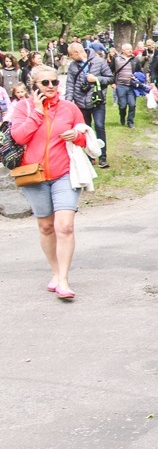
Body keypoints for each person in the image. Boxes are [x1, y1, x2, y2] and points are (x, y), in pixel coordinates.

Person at [10, 65, 87, 300]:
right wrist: (36, 111)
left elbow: (86, 136)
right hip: (34, 174)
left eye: (55, 82)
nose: (51, 87)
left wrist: (78, 136)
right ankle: (54, 272)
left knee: (65, 226)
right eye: (45, 83)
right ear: (35, 85)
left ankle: (63, 279)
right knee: (46, 226)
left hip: (64, 173)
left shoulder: (70, 108)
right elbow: (19, 136)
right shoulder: (22, 108)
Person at [65, 41, 112, 169]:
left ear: (77, 52)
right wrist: (68, 102)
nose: (70, 57)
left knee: (99, 126)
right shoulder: (73, 66)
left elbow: (110, 78)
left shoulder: (99, 61)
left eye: (71, 54)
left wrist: (96, 79)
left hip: (97, 101)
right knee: (85, 130)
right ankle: (90, 156)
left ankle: (102, 157)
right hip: (80, 102)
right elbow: (70, 84)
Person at [111, 43, 140, 128]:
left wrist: (136, 77)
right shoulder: (116, 59)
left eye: (131, 49)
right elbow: (110, 71)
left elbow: (139, 72)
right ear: (123, 50)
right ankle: (122, 116)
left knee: (132, 104)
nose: (130, 50)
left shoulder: (135, 60)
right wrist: (112, 82)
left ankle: (130, 122)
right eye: (128, 49)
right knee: (122, 105)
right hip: (120, 85)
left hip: (131, 86)